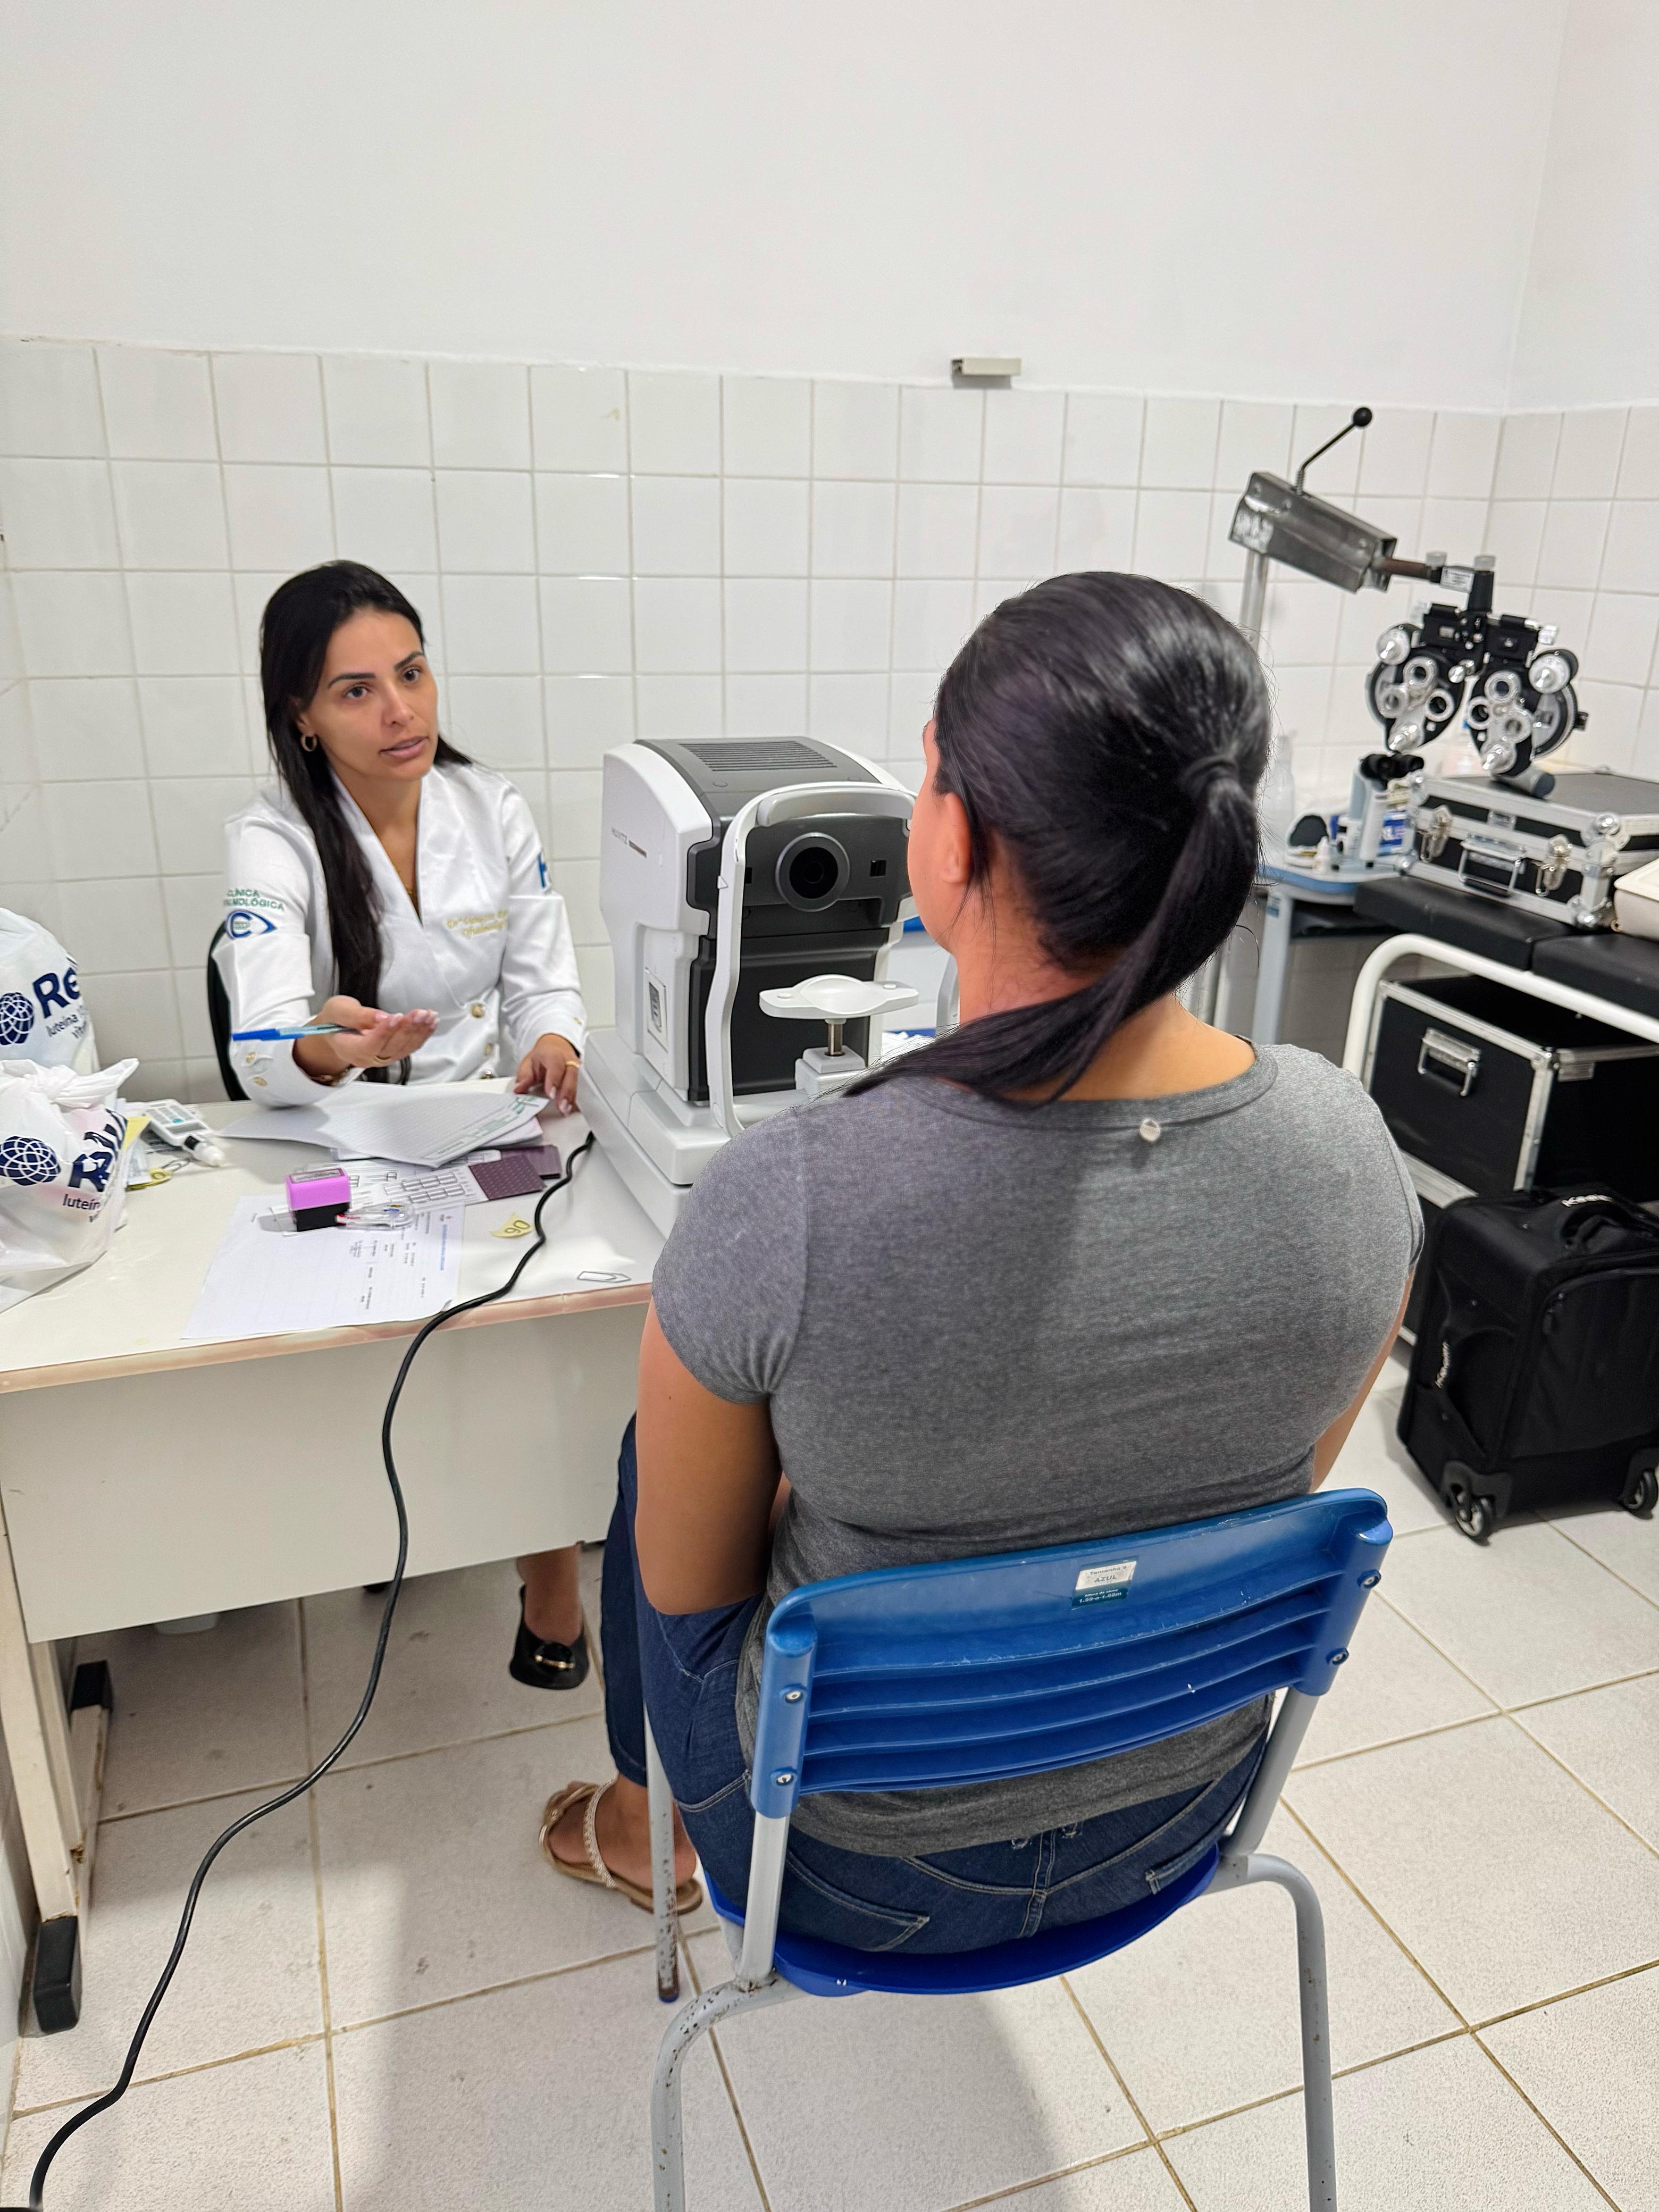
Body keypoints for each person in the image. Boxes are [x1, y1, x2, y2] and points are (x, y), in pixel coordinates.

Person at [539, 571, 1421, 1947]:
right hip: (1178, 1814)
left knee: (660, 1463)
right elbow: (1250, 1497)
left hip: (846, 1873)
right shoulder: (1353, 1151)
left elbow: (695, 1600)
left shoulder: (790, 1194)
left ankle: (649, 1821)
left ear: (951, 838)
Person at [222, 560, 591, 1690]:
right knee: (374, 1364)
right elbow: (261, 1040)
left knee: (531, 1331)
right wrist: (333, 1046)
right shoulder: (273, 838)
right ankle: (400, 1517)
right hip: (348, 1135)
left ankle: (550, 1576)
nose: (401, 710)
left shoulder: (491, 806)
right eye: (357, 690)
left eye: (413, 673)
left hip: (488, 1120)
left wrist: (556, 1040)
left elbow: (544, 978)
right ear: (302, 714)